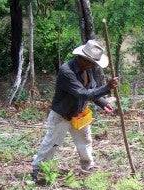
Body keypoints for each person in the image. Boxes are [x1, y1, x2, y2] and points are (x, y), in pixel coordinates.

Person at [31, 39, 118, 181]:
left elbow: (90, 90)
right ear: (82, 58)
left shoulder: (87, 70)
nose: (92, 66)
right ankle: (38, 169)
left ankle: (88, 165)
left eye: (94, 63)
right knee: (52, 143)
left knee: (85, 140)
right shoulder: (66, 71)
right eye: (91, 62)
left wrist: (102, 103)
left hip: (79, 113)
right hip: (62, 115)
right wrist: (107, 88)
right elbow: (82, 93)